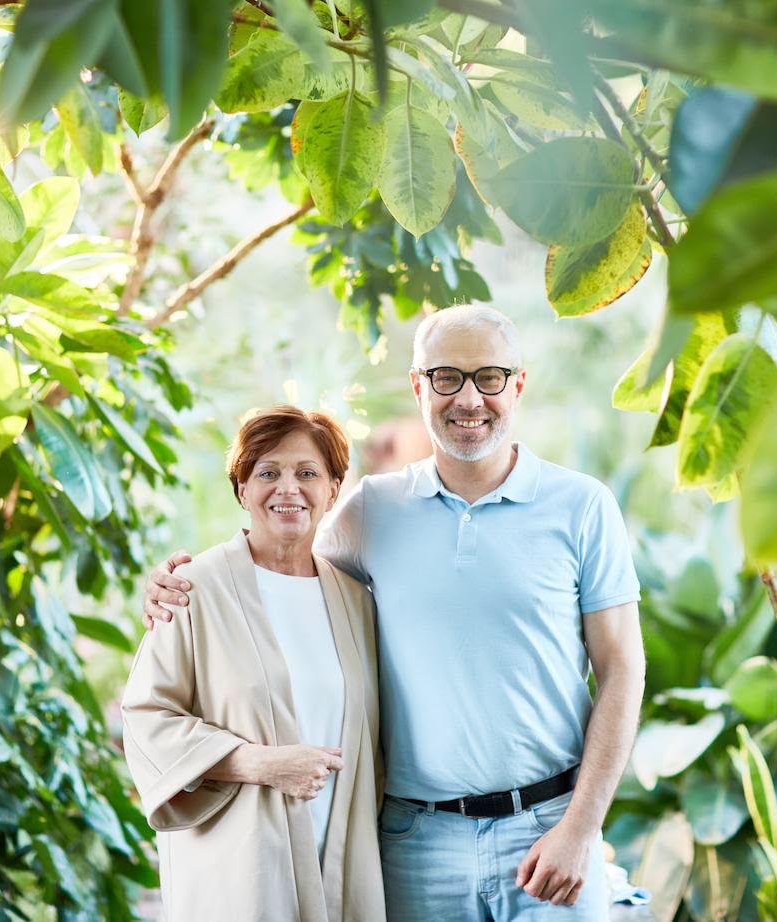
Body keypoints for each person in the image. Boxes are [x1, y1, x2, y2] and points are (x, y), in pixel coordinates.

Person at [144, 306, 646, 922]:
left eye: (488, 377)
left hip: (547, 835)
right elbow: (285, 573)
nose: (468, 398)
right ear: (417, 387)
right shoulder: (372, 510)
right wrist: (181, 585)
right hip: (415, 844)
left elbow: (622, 671)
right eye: (446, 377)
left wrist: (581, 828)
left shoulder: (582, 507)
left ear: (517, 384)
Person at [122, 407, 385, 922]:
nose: (288, 487)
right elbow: (146, 717)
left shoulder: (357, 600)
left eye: (307, 473)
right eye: (268, 472)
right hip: (239, 869)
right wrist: (260, 764)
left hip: (341, 862)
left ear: (334, 489)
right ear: (242, 489)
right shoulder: (193, 588)